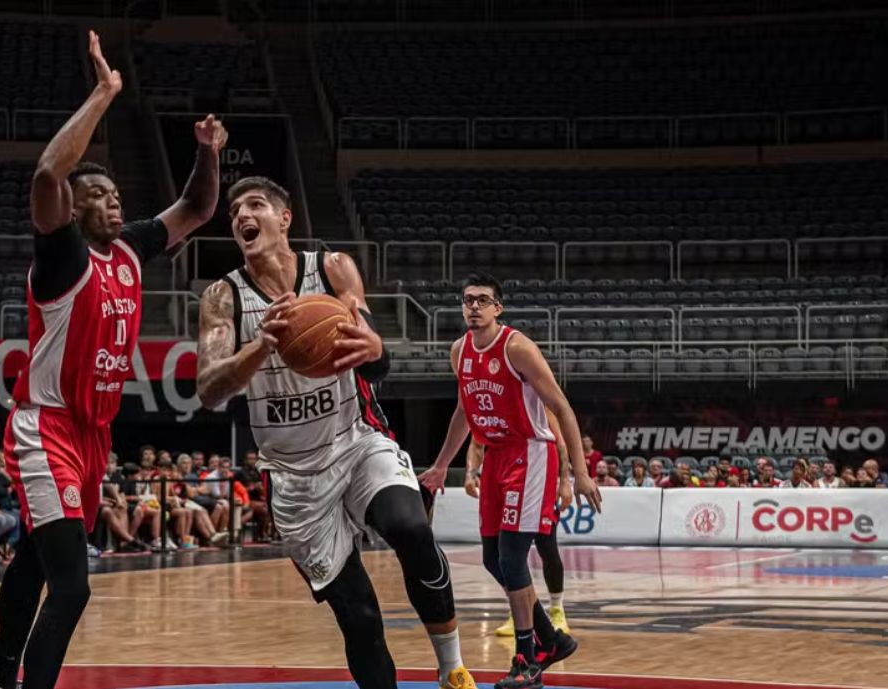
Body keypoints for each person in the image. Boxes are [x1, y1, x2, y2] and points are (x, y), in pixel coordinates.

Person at [0, 31, 225, 689]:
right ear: (76, 208)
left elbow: (197, 207)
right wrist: (105, 93)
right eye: (102, 195)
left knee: (32, 559)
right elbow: (47, 173)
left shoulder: (132, 249)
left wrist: (206, 151)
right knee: (73, 585)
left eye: (116, 195)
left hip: (93, 433)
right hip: (43, 425)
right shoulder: (62, 254)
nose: (117, 202)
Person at [196, 176, 478, 689]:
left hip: (356, 440)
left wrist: (375, 348)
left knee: (411, 529)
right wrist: (261, 347)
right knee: (361, 618)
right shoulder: (223, 297)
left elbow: (376, 362)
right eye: (234, 210)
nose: (241, 215)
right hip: (293, 475)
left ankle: (452, 667)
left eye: (255, 205)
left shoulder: (331, 268)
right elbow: (210, 392)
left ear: (285, 219)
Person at [418, 273, 600, 689]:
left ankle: (527, 660)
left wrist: (580, 471)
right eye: (468, 300)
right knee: (491, 559)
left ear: (498, 308)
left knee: (513, 558)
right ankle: (551, 639)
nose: (474, 307)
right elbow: (464, 412)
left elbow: (563, 408)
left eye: (483, 300)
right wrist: (444, 463)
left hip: (531, 453)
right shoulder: (458, 351)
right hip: (495, 456)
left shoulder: (517, 348)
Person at [472, 410, 573, 640]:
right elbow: (475, 441)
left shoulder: (534, 401)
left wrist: (565, 481)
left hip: (537, 472)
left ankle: (557, 609)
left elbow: (560, 441)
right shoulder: (488, 404)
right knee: (508, 554)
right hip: (505, 469)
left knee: (547, 547)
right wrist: (471, 472)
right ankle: (520, 612)